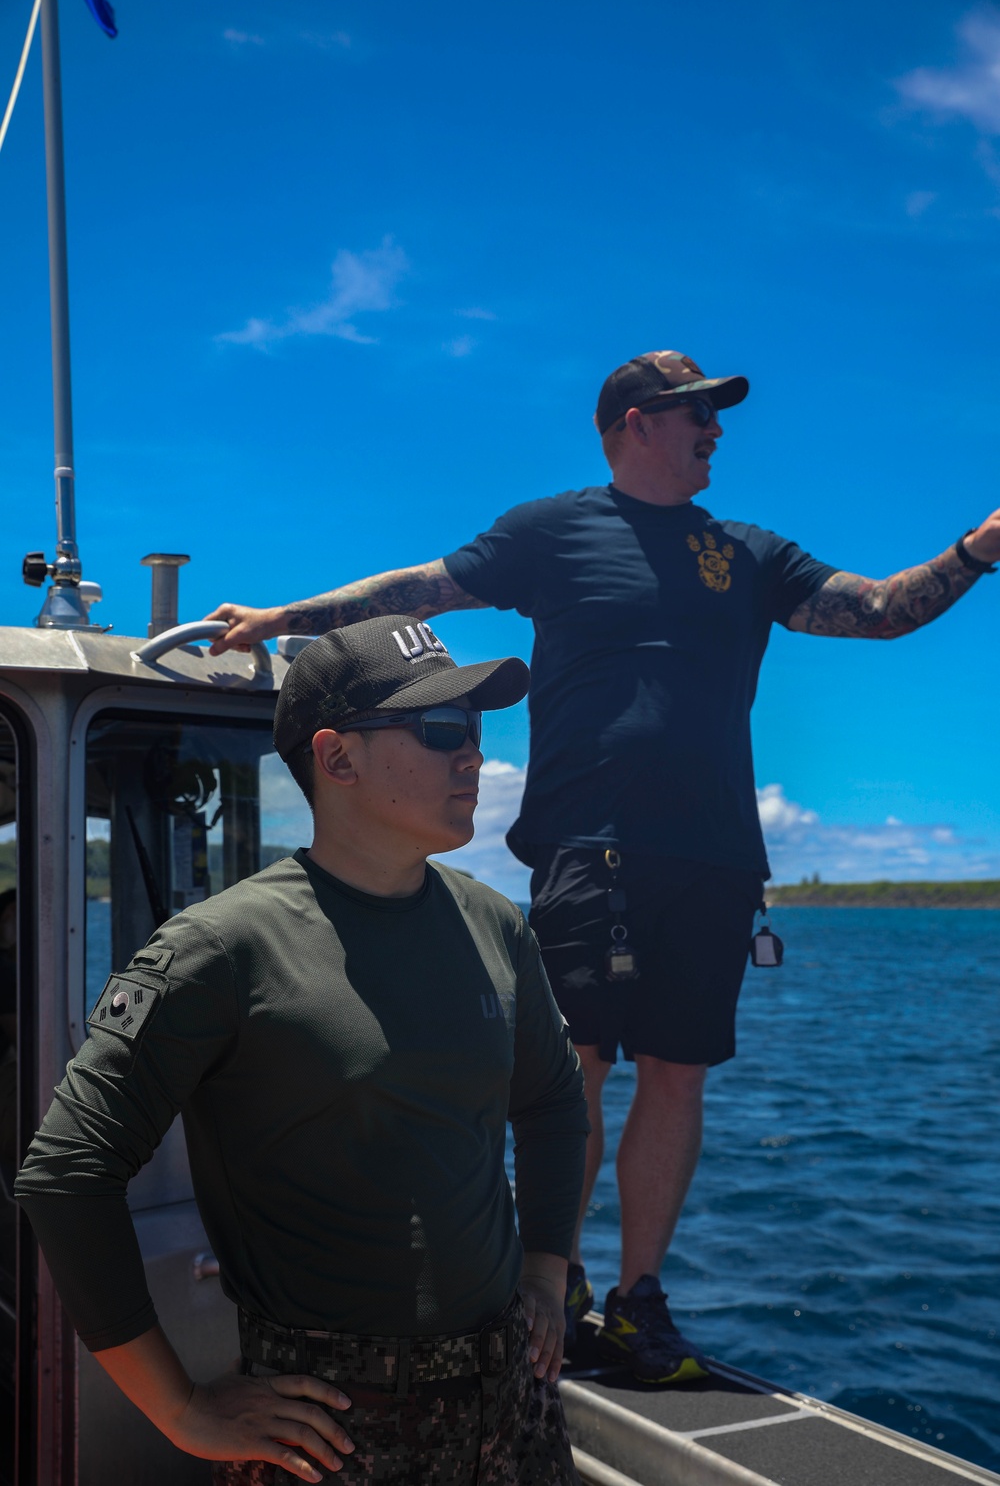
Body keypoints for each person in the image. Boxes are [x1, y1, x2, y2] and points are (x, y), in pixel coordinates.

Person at [203, 349, 1000, 1386]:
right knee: (570, 1069)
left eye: (716, 416)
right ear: (633, 422)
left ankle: (636, 1302)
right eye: (696, 414)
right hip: (592, 848)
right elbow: (421, 586)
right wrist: (281, 618)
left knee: (677, 1074)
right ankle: (554, 1279)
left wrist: (980, 545)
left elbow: (883, 607)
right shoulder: (552, 531)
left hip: (715, 857)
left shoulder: (751, 553)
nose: (716, 430)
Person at [15, 614, 588, 1484]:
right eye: (440, 730)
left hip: (514, 1399)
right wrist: (179, 1408)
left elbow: (550, 1103)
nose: (471, 754)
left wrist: (547, 1271)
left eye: (475, 728)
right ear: (337, 757)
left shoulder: (495, 924)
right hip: (330, 1429)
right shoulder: (222, 948)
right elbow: (66, 1174)